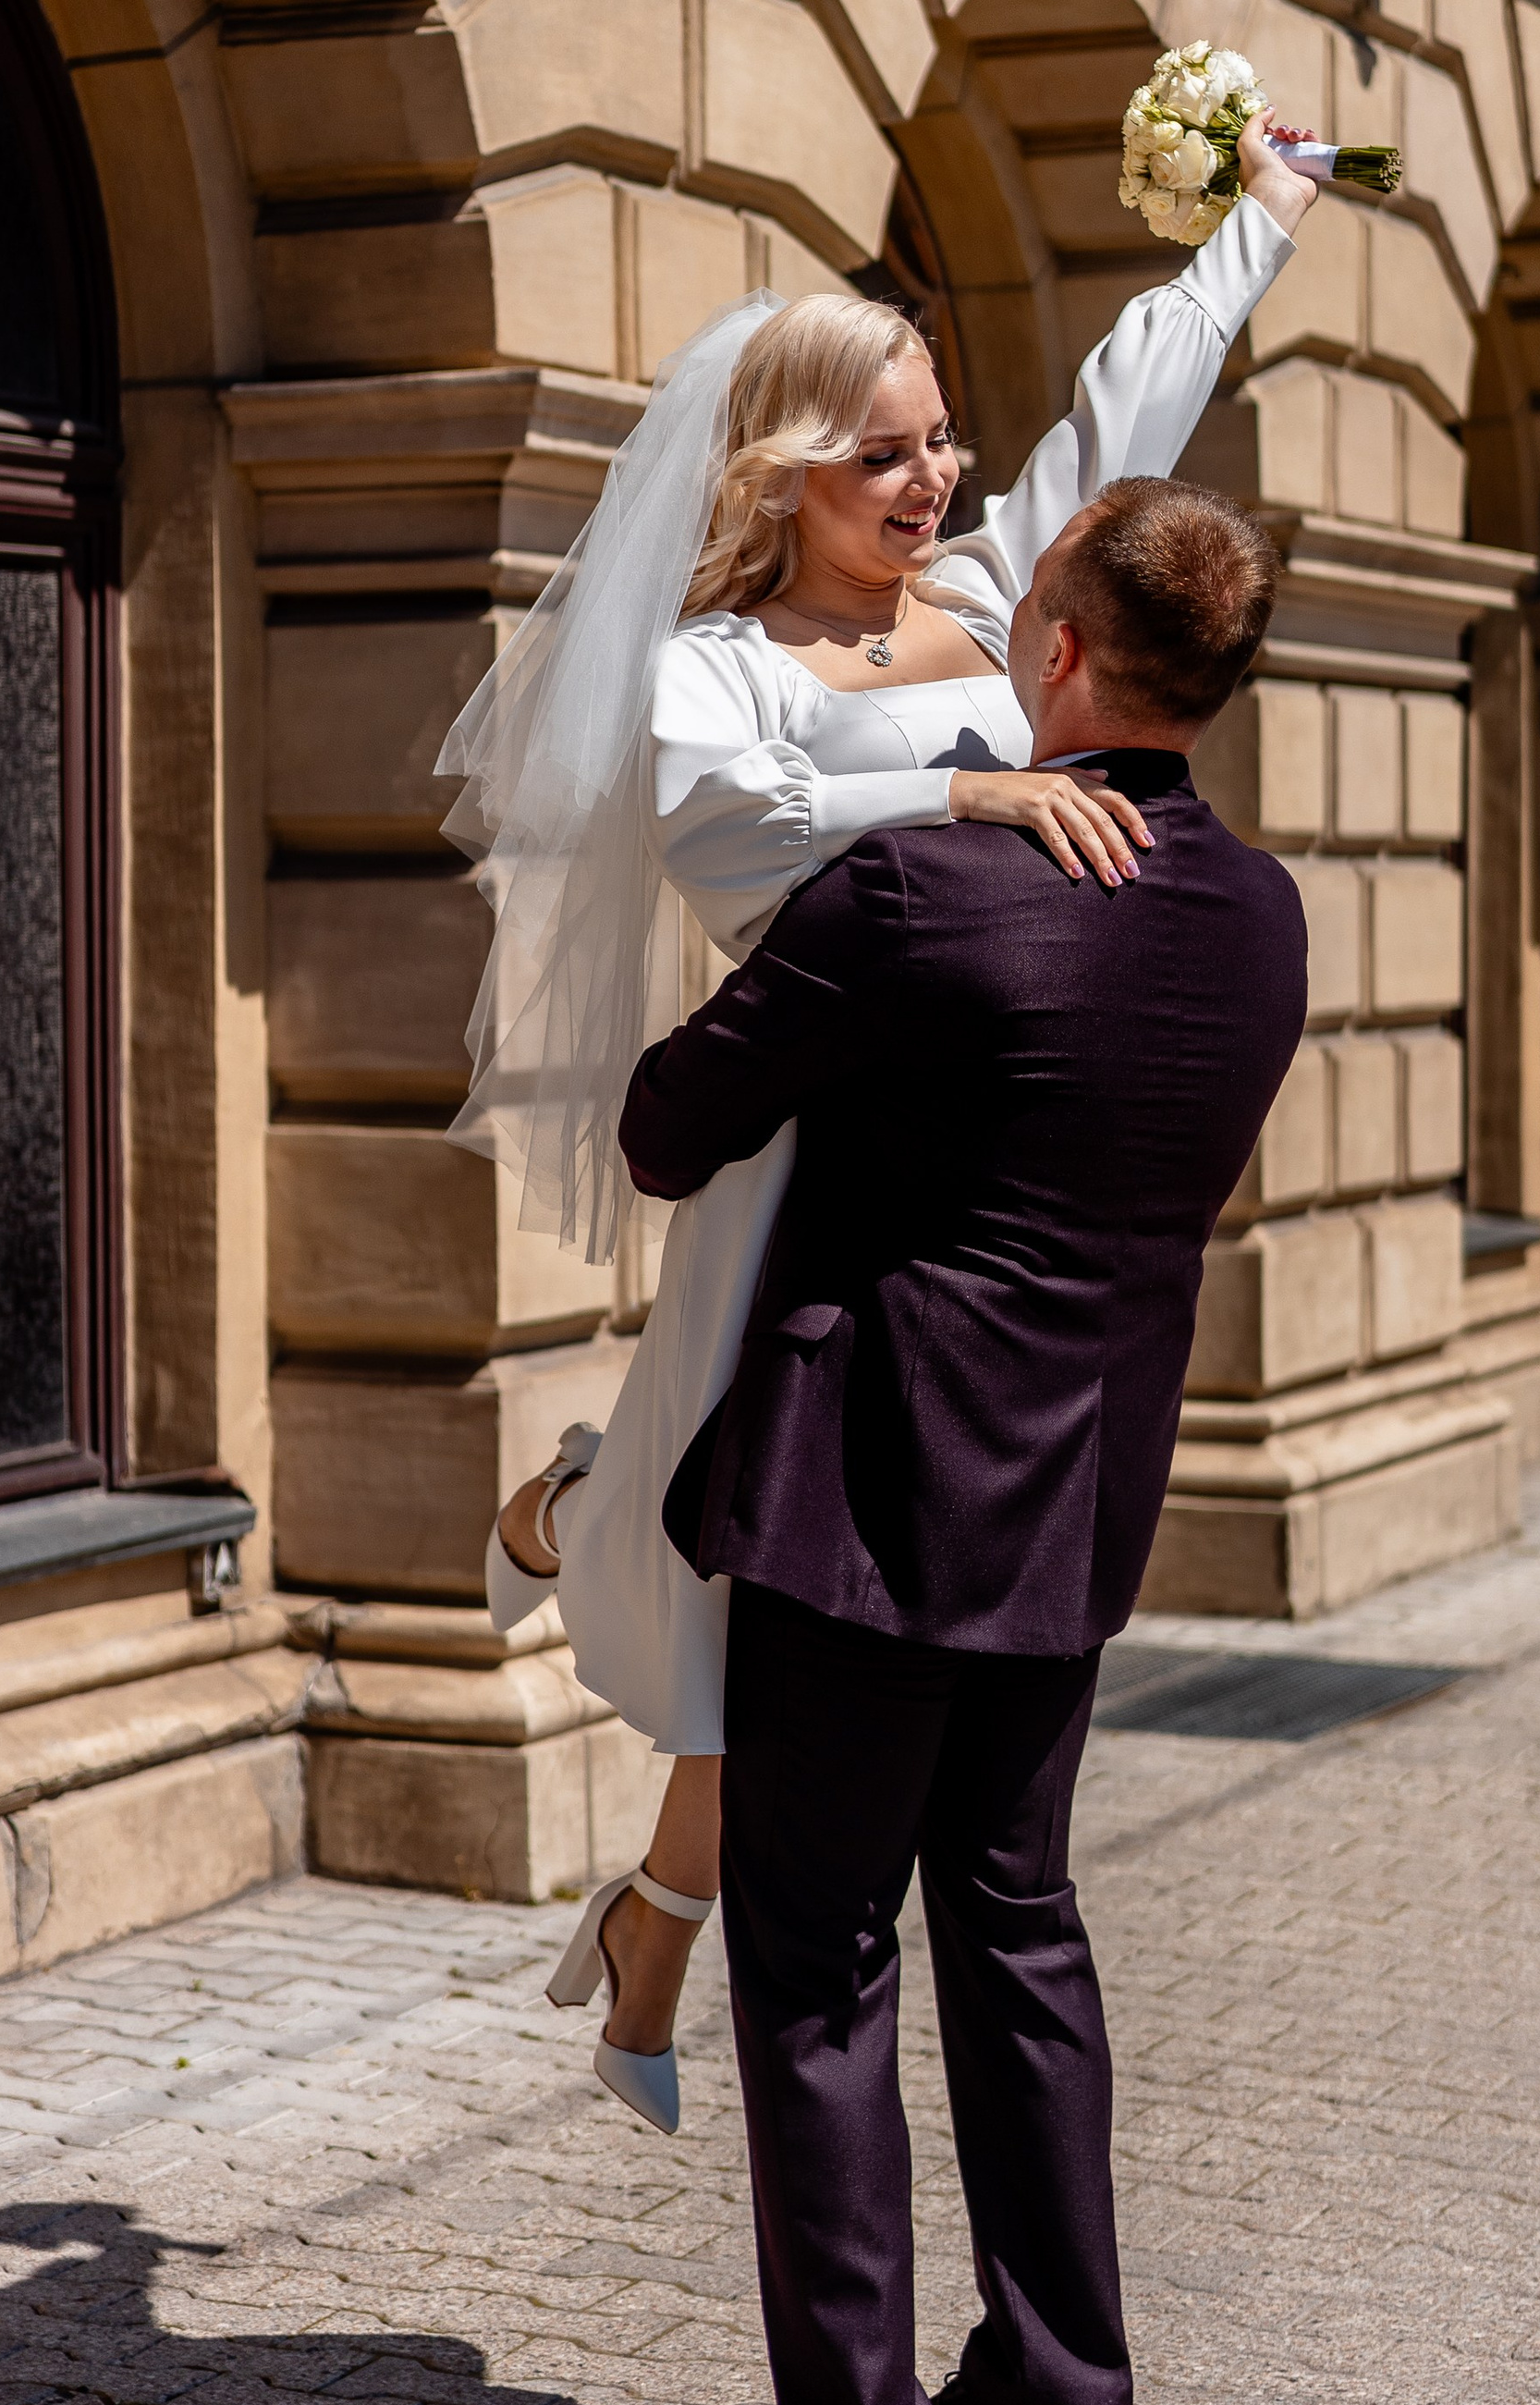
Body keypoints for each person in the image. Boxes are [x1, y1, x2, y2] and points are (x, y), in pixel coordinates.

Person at [445, 117, 1314, 2134]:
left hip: (957, 1171)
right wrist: (958, 797)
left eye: (937, 440)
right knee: (763, 1586)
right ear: (777, 477)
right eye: (882, 454)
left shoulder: (1004, 592)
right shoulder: (715, 668)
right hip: (792, 1146)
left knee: (786, 1611)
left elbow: (1132, 394)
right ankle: (589, 1529)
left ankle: (654, 1883)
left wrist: (1253, 223)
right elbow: (726, 835)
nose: (931, 482)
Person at [614, 476, 1311, 2405]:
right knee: (1013, 1921)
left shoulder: (921, 896)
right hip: (1079, 1500)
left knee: (815, 1962)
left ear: (1067, 660)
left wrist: (884, 852)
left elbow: (667, 1124)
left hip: (865, 1503)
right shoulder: (1261, 915)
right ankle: (1057, 2389)